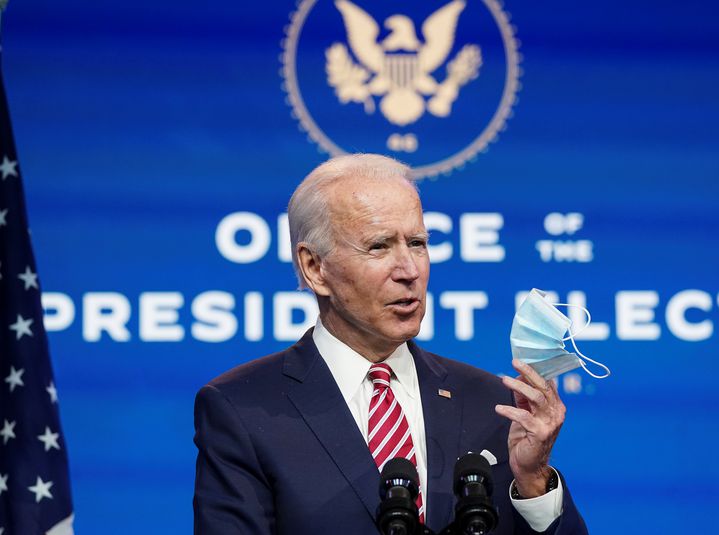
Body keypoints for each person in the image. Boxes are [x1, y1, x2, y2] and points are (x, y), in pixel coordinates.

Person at [193, 154, 588, 534]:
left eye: (417, 243)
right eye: (379, 246)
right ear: (315, 268)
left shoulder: (491, 405)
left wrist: (534, 483)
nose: (410, 270)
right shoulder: (243, 410)